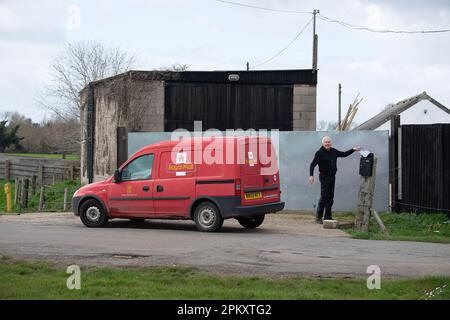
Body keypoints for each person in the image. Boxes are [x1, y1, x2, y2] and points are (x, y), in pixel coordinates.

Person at [309, 136, 361, 224]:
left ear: (331, 143)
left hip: (332, 177)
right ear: (323, 143)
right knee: (324, 197)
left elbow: (343, 154)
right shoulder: (319, 153)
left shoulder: (334, 151)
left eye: (329, 142)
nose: (327, 143)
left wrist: (353, 149)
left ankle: (328, 216)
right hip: (324, 177)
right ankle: (318, 217)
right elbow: (312, 164)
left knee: (331, 197)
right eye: (326, 142)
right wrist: (311, 175)